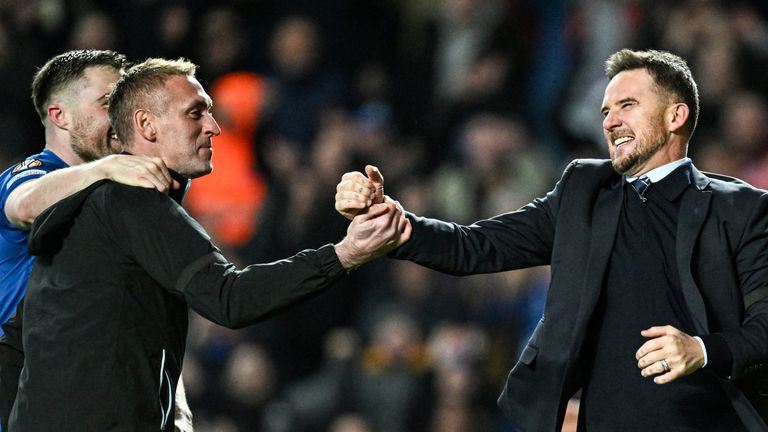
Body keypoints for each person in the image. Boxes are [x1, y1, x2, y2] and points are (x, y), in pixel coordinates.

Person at [335, 49, 768, 431]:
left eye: (627, 105)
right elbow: (476, 246)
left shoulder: (742, 210)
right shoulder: (583, 192)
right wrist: (396, 223)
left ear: (676, 116)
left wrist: (702, 349)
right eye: (604, 111)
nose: (610, 121)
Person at [9, 57, 410, 431]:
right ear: (147, 126)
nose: (214, 127)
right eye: (195, 112)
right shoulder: (129, 204)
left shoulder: (100, 208)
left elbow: (29, 335)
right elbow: (229, 298)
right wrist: (345, 254)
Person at [0, 50, 180, 429]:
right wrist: (107, 168)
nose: (121, 116)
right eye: (107, 102)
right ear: (59, 116)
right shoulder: (33, 172)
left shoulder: (118, 197)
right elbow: (27, 205)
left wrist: (175, 400)